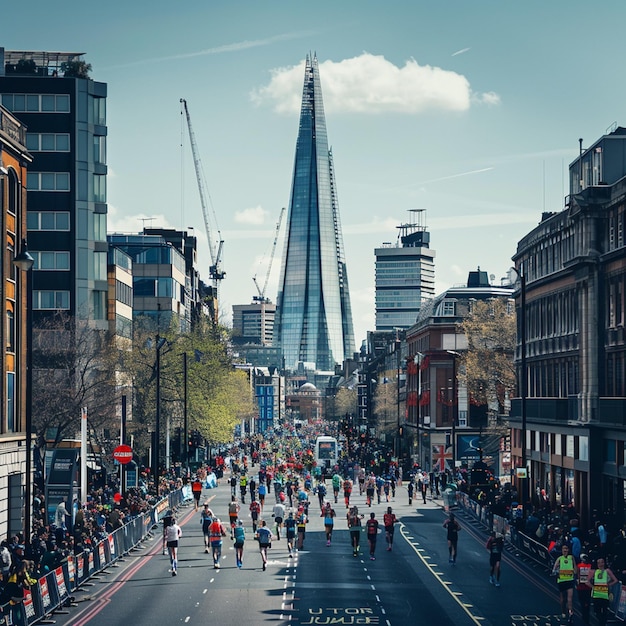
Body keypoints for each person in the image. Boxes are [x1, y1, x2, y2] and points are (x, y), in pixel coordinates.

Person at [588, 556, 618, 626]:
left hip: (605, 595)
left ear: (604, 563)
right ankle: (601, 622)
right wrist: (593, 587)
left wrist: (609, 585)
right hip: (596, 595)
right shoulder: (594, 571)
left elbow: (615, 580)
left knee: (604, 612)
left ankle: (602, 624)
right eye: (599, 563)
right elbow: (586, 581)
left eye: (602, 562)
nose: (600, 564)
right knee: (596, 611)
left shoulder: (607, 571)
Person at [552, 543, 576, 623]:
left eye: (566, 549)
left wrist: (574, 572)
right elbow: (553, 571)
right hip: (562, 581)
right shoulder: (559, 559)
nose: (565, 550)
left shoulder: (571, 558)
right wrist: (557, 569)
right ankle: (563, 612)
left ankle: (570, 613)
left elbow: (575, 570)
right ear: (562, 550)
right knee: (563, 600)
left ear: (568, 550)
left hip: (570, 581)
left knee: (570, 598)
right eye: (563, 549)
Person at [576, 553, 592, 625]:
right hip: (586, 588)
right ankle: (586, 619)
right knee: (586, 604)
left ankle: (584, 619)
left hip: (582, 588)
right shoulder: (590, 566)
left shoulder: (579, 566)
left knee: (583, 604)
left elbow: (578, 576)